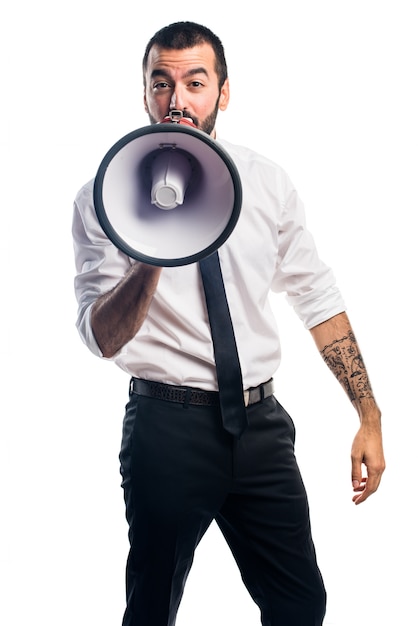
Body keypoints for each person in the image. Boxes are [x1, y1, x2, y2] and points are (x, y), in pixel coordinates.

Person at [72, 21, 385, 626]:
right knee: (151, 609)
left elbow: (317, 297)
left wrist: (368, 414)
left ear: (223, 91)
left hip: (262, 428)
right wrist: (152, 250)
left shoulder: (266, 182)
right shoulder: (102, 197)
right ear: (144, 93)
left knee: (300, 604)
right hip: (166, 427)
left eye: (195, 81)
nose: (178, 99)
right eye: (161, 83)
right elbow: (100, 337)